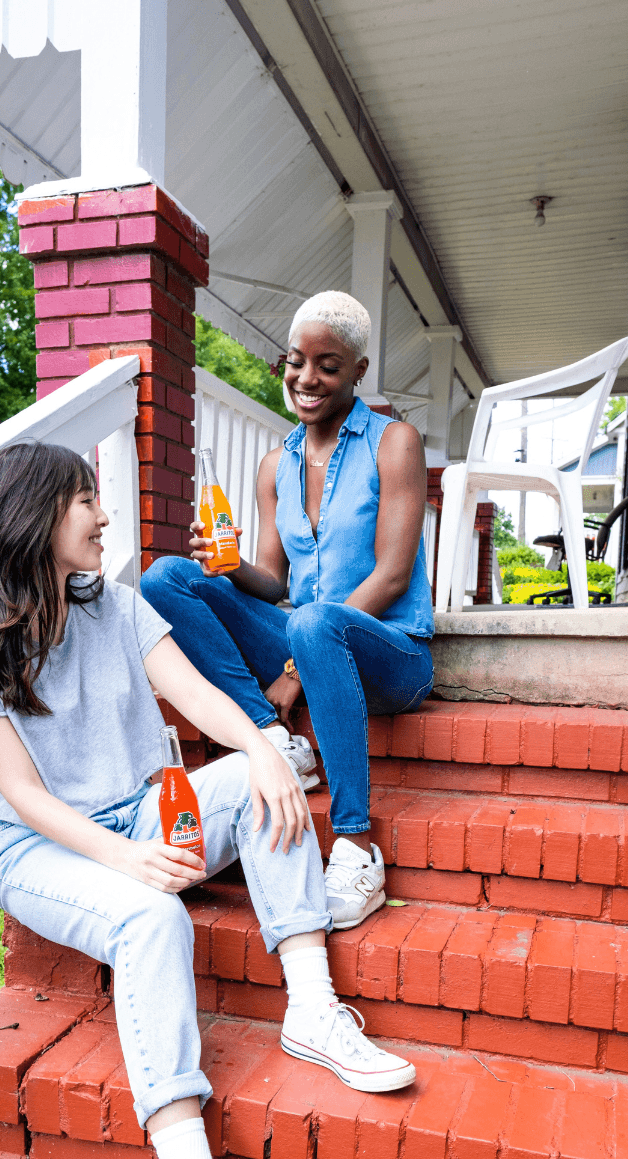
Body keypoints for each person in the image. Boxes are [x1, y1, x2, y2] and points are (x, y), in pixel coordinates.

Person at [0, 440, 416, 1159]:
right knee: (153, 922)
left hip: (140, 810)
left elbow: (196, 697)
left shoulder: (117, 608)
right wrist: (126, 861)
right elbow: (23, 797)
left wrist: (263, 750)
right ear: (36, 514)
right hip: (45, 850)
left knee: (256, 776)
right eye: (88, 501)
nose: (105, 516)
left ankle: (311, 1008)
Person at [141, 290, 434, 931]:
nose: (307, 378)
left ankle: (356, 845)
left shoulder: (395, 444)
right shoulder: (277, 463)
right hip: (305, 633)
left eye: (329, 365)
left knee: (312, 620)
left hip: (390, 652)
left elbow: (390, 577)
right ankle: (276, 739)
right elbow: (274, 583)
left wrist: (295, 669)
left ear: (358, 371)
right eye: (296, 361)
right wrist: (227, 566)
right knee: (166, 578)